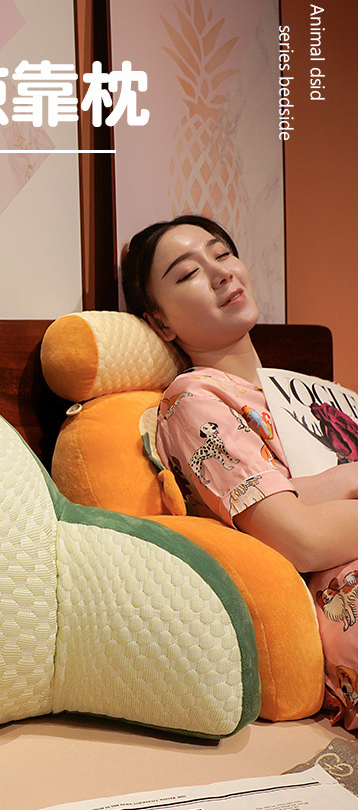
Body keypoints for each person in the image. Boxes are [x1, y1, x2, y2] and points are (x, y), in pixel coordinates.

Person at [121, 214, 358, 729]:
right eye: (188, 273)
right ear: (162, 323)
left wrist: (334, 483)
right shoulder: (194, 399)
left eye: (223, 254)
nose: (220, 272)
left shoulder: (315, 395)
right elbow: (299, 538)